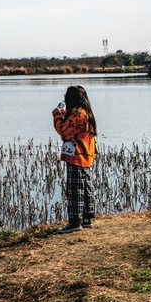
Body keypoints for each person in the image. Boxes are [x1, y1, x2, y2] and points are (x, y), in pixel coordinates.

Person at [52, 85, 97, 234]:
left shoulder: (77, 113)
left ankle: (74, 222)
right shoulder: (85, 112)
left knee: (75, 189)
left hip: (77, 156)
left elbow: (64, 131)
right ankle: (85, 219)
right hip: (84, 155)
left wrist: (57, 116)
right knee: (84, 187)